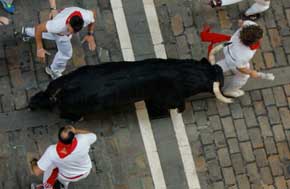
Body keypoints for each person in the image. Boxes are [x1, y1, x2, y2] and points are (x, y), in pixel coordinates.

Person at [21, 7, 97, 79]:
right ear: (68, 23)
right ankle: (54, 70)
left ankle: (26, 32)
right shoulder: (57, 25)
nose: (70, 32)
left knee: (50, 33)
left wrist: (90, 34)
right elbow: (39, 28)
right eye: (68, 29)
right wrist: (40, 48)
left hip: (59, 23)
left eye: (72, 32)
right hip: (59, 30)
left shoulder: (86, 16)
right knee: (66, 53)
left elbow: (93, 14)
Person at [214, 20, 274, 97]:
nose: (261, 38)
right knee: (243, 76)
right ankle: (229, 91)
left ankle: (212, 71)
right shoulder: (245, 54)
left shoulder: (249, 24)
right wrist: (251, 72)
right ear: (253, 42)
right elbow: (240, 68)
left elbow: (241, 22)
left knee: (225, 63)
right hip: (234, 61)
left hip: (228, 48)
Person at [30, 125, 97, 189]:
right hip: (85, 171)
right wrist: (75, 130)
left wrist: (33, 162)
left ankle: (46, 187)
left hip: (66, 176)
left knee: (50, 168)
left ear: (59, 137)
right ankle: (62, 186)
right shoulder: (83, 139)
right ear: (73, 137)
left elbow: (37, 172)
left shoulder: (52, 151)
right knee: (62, 178)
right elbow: (93, 135)